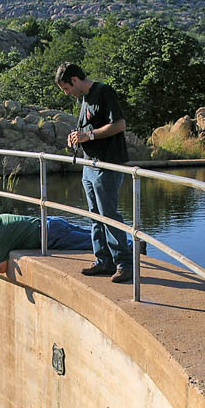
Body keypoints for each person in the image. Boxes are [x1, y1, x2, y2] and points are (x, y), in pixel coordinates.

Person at [55, 62, 133, 283]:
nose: (67, 93)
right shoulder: (84, 99)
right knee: (94, 215)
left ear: (75, 80)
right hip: (89, 165)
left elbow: (119, 124)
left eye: (66, 88)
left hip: (107, 164)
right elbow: (88, 129)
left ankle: (124, 264)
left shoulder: (103, 91)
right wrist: (77, 136)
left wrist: (88, 136)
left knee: (108, 215)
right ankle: (104, 261)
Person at [0, 214, 93, 274]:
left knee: (94, 242)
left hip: (52, 236)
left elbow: (1, 268)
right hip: (51, 222)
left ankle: (112, 249)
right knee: (94, 233)